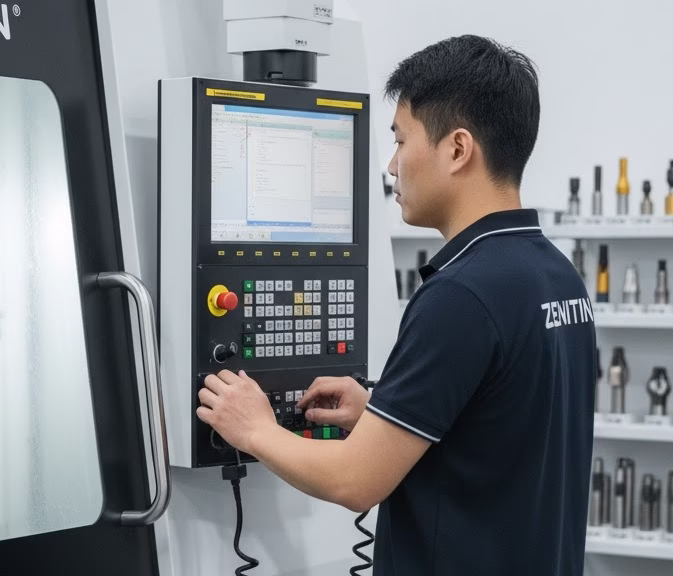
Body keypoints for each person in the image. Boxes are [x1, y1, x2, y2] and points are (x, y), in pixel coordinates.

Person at [197, 35, 596, 575]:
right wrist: (382, 412)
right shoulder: (556, 275)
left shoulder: (462, 294)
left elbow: (355, 481)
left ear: (457, 149)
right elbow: (500, 430)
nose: (390, 165)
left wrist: (254, 430)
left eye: (401, 139)